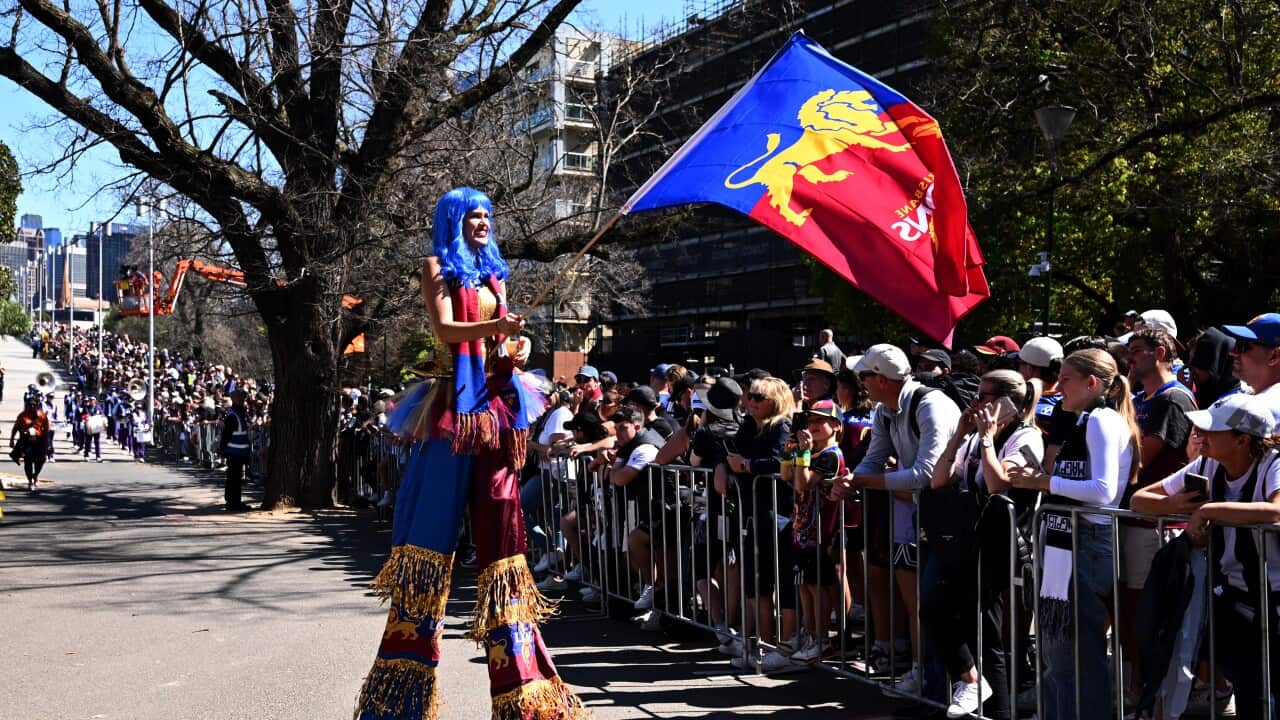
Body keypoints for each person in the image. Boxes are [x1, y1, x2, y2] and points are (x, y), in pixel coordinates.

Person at [356, 187, 586, 720]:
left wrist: (516, 347)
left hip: (496, 411)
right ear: (454, 221)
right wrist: (495, 330)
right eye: (473, 215)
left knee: (504, 547)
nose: (482, 222)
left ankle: (526, 698)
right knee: (428, 546)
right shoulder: (437, 266)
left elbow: (496, 345)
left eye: (488, 215)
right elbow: (445, 329)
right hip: (450, 414)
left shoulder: (494, 274)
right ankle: (399, 701)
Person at [1008, 348, 1138, 720]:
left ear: (1091, 383)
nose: (1057, 386)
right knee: (1057, 651)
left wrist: (1045, 482)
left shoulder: (1102, 421)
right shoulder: (1089, 420)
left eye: (1065, 379)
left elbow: (1103, 491)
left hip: (1086, 542)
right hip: (1070, 541)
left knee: (1075, 653)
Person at [1130, 392, 1279, 717]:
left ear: (1242, 439)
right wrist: (1171, 505)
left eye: (1213, 430)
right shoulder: (1208, 463)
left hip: (1274, 602)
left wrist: (1208, 510)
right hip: (1236, 601)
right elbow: (1138, 500)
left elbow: (1277, 510)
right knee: (1251, 697)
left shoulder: (1274, 464)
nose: (1200, 434)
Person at [832, 344, 962, 695]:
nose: (861, 382)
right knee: (914, 599)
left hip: (947, 519)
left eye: (865, 376)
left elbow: (924, 474)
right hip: (912, 517)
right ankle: (922, 673)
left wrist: (862, 481)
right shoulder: (884, 410)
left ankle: (938, 681)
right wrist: (852, 480)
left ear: (883, 379)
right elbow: (874, 458)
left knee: (929, 602)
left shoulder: (931, 405)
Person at [926, 370, 1043, 719]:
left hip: (1000, 542)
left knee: (986, 633)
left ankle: (996, 708)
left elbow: (997, 484)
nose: (978, 403)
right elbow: (939, 480)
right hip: (969, 541)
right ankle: (973, 683)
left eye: (987, 397)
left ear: (1009, 402)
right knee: (940, 610)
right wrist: (960, 435)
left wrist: (989, 439)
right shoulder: (975, 438)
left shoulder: (1026, 437)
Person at [219, 389, 252, 512]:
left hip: (238, 452)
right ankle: (233, 503)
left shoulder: (238, 413)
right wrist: (222, 449)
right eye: (242, 398)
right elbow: (226, 434)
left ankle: (233, 502)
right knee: (234, 479)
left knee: (234, 479)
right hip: (234, 452)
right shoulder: (234, 415)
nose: (244, 400)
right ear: (236, 399)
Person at [10, 396, 50, 491]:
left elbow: (47, 429)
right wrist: (12, 439)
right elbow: (15, 428)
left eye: (34, 405)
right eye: (30, 405)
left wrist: (47, 444)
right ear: (27, 405)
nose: (32, 406)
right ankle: (30, 481)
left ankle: (35, 475)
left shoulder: (42, 416)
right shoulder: (22, 415)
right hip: (27, 441)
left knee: (40, 461)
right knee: (28, 462)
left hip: (39, 441)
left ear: (37, 406)